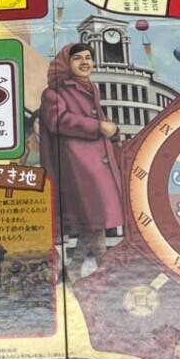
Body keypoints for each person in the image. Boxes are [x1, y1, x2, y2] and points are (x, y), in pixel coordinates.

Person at [40, 42, 125, 277]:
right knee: (94, 218)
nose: (85, 62)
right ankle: (106, 271)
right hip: (78, 166)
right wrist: (97, 126)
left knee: (92, 220)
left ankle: (75, 269)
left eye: (88, 57)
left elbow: (99, 118)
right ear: (66, 63)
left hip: (96, 163)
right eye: (78, 58)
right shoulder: (53, 93)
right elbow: (58, 121)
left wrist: (112, 130)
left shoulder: (90, 88)